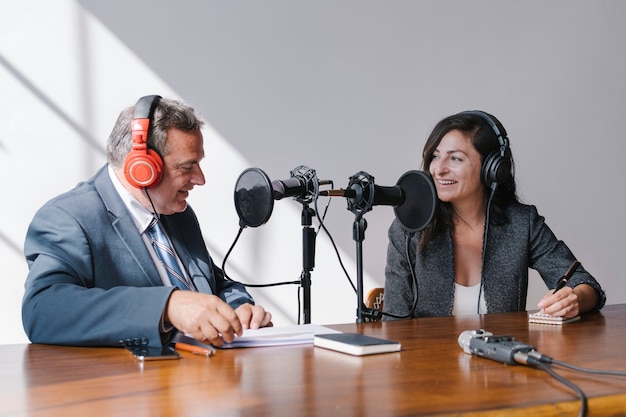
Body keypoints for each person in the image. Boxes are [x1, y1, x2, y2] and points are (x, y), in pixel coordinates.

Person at [22, 95, 272, 348]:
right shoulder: (68, 217)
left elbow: (215, 283)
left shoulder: (177, 214)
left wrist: (239, 309)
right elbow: (42, 310)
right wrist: (167, 306)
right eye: (187, 167)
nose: (200, 179)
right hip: (129, 382)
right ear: (142, 168)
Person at [383, 110, 605, 320]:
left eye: (455, 158)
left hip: (503, 358)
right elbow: (393, 324)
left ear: (492, 168)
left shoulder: (521, 224)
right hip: (427, 358)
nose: (438, 169)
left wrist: (576, 298)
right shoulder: (408, 228)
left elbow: (584, 283)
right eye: (435, 156)